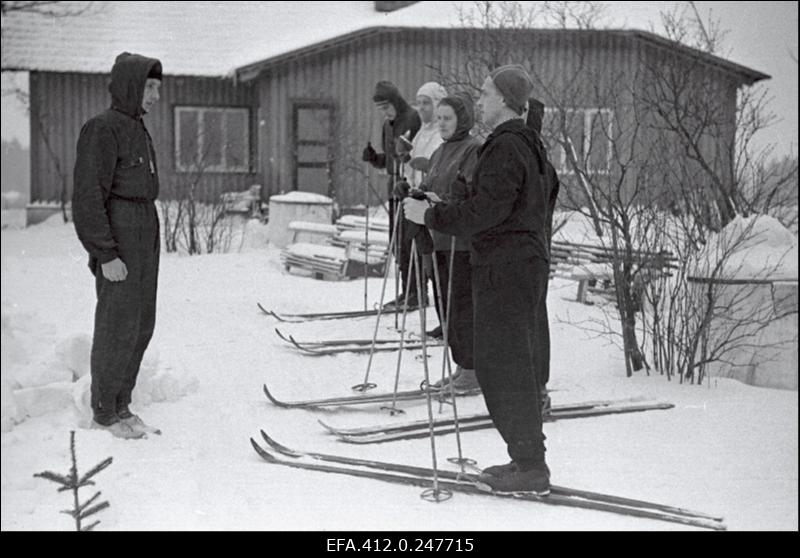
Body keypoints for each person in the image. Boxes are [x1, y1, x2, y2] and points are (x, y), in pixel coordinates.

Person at [403, 65, 555, 495]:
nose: (481, 100)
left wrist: (431, 215)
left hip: (506, 267)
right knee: (509, 364)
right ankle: (525, 459)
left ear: (505, 100)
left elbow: (489, 212)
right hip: (520, 262)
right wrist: (445, 204)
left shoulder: (506, 146)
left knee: (502, 365)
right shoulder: (529, 144)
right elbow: (513, 204)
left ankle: (531, 466)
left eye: (487, 94)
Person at [73, 52, 163, 439]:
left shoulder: (136, 127)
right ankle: (103, 413)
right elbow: (88, 196)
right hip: (121, 234)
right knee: (117, 325)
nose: (156, 95)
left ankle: (122, 405)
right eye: (151, 87)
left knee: (142, 323)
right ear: (131, 87)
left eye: (159, 88)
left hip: (144, 230)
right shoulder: (103, 128)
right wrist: (105, 252)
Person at [418, 92, 481, 391]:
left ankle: (472, 368)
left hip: (462, 241)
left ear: (462, 120)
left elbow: (471, 195)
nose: (441, 124)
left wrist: (443, 199)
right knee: (447, 309)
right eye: (439, 118)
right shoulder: (440, 152)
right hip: (439, 238)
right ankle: (462, 365)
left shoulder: (473, 149)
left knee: (462, 306)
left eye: (447, 118)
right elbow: (429, 184)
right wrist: (415, 192)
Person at [362, 81, 422, 309]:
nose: (385, 113)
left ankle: (417, 291)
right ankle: (406, 290)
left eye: (387, 107)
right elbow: (389, 160)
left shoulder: (413, 119)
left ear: (396, 102)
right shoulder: (388, 126)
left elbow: (416, 154)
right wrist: (374, 158)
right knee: (397, 242)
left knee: (409, 241)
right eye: (380, 109)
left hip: (409, 188)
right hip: (392, 187)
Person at [397, 81, 447, 336]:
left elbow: (441, 168)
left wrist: (423, 167)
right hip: (415, 202)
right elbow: (412, 165)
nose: (421, 108)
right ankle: (415, 293)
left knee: (435, 263)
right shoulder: (421, 133)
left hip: (431, 205)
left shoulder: (441, 133)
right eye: (419, 102)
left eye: (427, 102)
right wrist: (405, 175)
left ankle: (447, 319)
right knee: (414, 255)